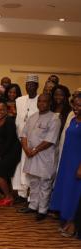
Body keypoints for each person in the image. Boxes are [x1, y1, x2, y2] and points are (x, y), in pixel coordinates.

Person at [19, 94, 61, 221]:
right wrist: (26, 149)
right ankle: (33, 206)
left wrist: (35, 150)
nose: (41, 104)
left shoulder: (54, 118)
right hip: (31, 155)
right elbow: (24, 135)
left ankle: (42, 210)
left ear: (49, 103)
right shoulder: (32, 117)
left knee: (45, 184)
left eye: (45, 101)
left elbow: (50, 140)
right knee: (33, 182)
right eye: (39, 101)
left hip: (44, 157)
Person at [50, 93, 81, 236]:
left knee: (75, 192)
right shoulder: (74, 120)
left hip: (77, 163)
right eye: (75, 104)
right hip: (67, 161)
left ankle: (73, 223)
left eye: (80, 105)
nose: (76, 108)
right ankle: (66, 219)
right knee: (65, 190)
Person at [12, 74, 39, 202]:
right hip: (20, 138)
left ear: (37, 86)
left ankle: (30, 195)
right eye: (28, 85)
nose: (30, 87)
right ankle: (21, 193)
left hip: (33, 141)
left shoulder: (41, 100)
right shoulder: (20, 100)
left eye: (32, 85)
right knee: (20, 166)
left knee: (30, 167)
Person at [0, 100, 21, 206]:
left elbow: (10, 141)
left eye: (2, 109)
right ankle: (8, 194)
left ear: (6, 110)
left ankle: (9, 197)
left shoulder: (9, 121)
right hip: (3, 152)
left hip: (11, 152)